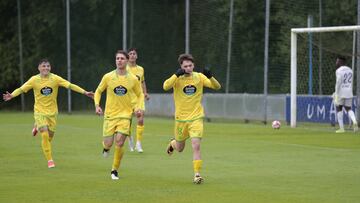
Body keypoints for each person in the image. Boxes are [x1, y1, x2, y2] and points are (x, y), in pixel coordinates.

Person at [2, 59, 94, 168]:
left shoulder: (55, 79)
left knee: (49, 138)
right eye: (43, 66)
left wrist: (85, 92)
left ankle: (36, 126)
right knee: (45, 135)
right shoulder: (34, 80)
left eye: (48, 66)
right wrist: (12, 95)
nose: (46, 68)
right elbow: (22, 89)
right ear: (39, 68)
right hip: (39, 112)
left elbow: (70, 85)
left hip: (52, 113)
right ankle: (50, 160)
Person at [163, 53, 221, 184]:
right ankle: (173, 144)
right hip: (180, 119)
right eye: (185, 66)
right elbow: (165, 86)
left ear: (193, 65)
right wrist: (176, 75)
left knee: (196, 145)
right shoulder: (177, 79)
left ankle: (197, 175)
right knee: (180, 148)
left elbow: (217, 87)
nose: (188, 68)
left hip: (196, 117)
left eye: (190, 65)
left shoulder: (199, 77)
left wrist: (210, 77)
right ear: (181, 67)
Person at [94, 50, 144, 180]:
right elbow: (98, 91)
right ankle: (105, 148)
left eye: (122, 58)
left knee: (120, 142)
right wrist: (97, 105)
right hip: (110, 115)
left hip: (125, 116)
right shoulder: (108, 77)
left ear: (127, 61)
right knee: (108, 143)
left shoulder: (133, 79)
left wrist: (138, 108)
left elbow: (140, 95)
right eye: (117, 58)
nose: (119, 60)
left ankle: (114, 170)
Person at [126, 48, 150, 153]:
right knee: (127, 122)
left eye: (134, 54)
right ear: (128, 56)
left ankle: (138, 143)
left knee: (140, 118)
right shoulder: (124, 68)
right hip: (126, 98)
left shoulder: (140, 69)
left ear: (136, 56)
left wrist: (145, 92)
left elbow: (142, 81)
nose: (132, 55)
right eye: (130, 54)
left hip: (138, 97)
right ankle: (130, 140)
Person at [333, 56, 358, 133]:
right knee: (348, 108)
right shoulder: (350, 70)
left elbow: (338, 82)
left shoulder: (338, 71)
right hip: (349, 91)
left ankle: (341, 128)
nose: (336, 63)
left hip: (341, 92)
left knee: (338, 108)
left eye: (337, 61)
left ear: (341, 62)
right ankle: (354, 122)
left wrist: (336, 93)